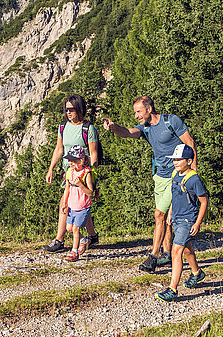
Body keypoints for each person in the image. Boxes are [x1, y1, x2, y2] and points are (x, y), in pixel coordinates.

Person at [103, 96, 196, 272]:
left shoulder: (171, 121)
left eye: (138, 111)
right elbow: (128, 132)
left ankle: (153, 256)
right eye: (135, 112)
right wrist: (113, 127)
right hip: (159, 177)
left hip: (177, 175)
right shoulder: (145, 128)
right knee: (167, 220)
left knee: (159, 215)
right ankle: (168, 254)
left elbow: (190, 144)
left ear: (149, 109)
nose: (136, 116)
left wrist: (192, 175)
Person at [44, 95, 100, 252]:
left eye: (71, 109)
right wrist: (51, 169)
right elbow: (59, 149)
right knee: (80, 205)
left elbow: (93, 154)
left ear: (79, 109)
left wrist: (91, 178)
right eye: (66, 109)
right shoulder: (63, 127)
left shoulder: (89, 129)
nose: (68, 112)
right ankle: (92, 235)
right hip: (68, 172)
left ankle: (59, 239)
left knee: (66, 203)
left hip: (82, 173)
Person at [156, 144, 207, 301]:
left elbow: (203, 202)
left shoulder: (194, 179)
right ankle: (197, 273)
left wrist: (197, 223)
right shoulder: (175, 174)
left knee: (176, 251)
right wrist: (170, 212)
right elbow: (175, 195)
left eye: (179, 159)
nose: (176, 162)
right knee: (186, 249)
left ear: (189, 161)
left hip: (187, 220)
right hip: (177, 218)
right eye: (174, 159)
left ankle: (172, 289)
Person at [60, 145, 95, 261]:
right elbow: (67, 189)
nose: (70, 163)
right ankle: (83, 240)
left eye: (73, 161)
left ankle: (74, 252)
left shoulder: (86, 173)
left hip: (83, 206)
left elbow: (90, 192)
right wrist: (65, 203)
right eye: (70, 161)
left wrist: (80, 185)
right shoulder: (70, 172)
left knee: (75, 229)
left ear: (81, 161)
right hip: (72, 205)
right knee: (69, 228)